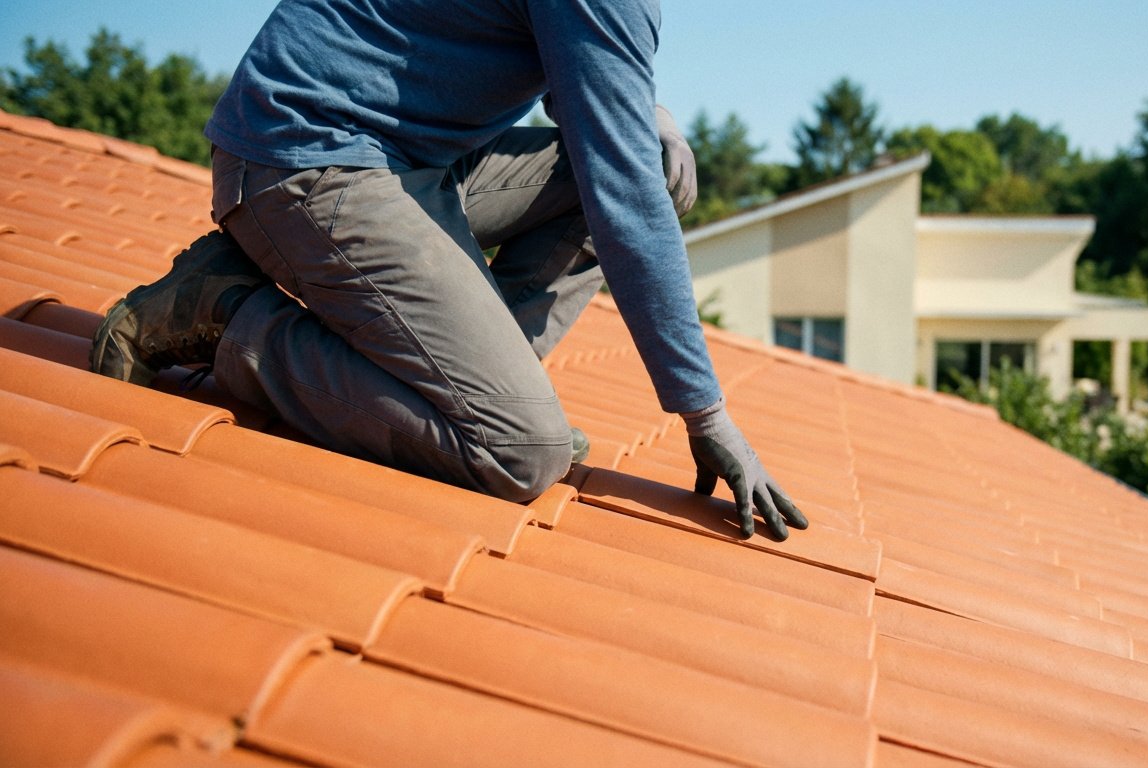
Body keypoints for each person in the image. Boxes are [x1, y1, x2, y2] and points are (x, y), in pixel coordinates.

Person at [89, 0, 807, 540]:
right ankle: (222, 315)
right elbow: (625, 197)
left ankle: (473, 385)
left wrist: (653, 115)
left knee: (640, 156)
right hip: (304, 159)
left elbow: (583, 86)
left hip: (400, 157)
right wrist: (703, 409)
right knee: (522, 452)